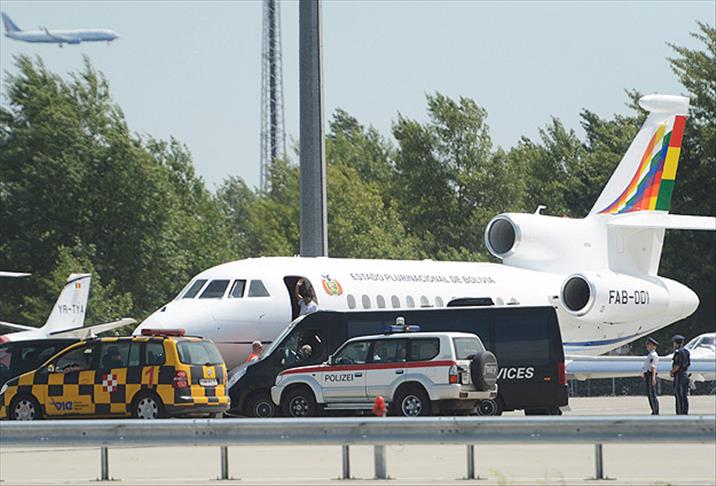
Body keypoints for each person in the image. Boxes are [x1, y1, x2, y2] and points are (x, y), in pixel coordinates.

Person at [670, 334, 691, 415]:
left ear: (676, 343)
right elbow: (688, 364)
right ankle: (685, 412)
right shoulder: (687, 352)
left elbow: (677, 365)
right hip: (685, 374)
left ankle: (680, 413)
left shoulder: (678, 352)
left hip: (679, 375)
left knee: (679, 395)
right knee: (684, 396)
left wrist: (672, 372)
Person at [642, 337, 659, 415]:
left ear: (652, 345)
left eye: (648, 344)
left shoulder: (653, 355)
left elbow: (653, 367)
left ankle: (655, 411)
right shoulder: (650, 354)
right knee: (650, 394)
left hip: (650, 375)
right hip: (648, 375)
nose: (647, 346)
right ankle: (653, 410)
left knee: (652, 394)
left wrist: (653, 378)